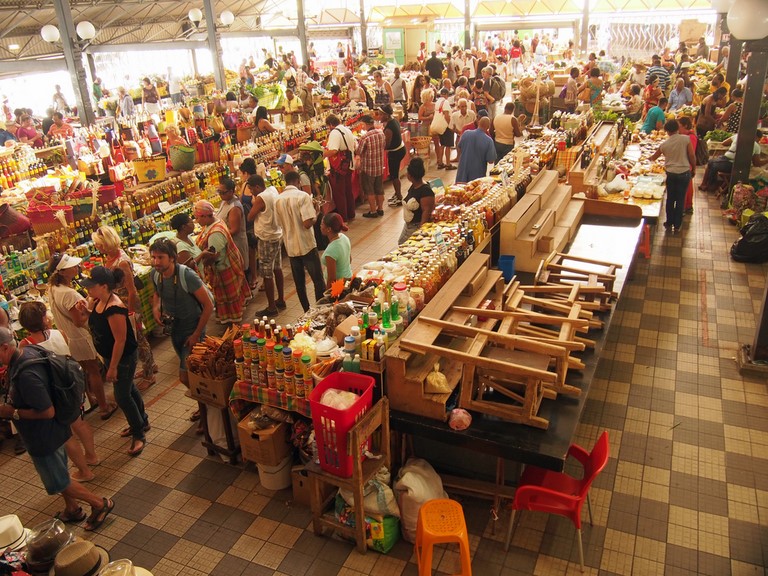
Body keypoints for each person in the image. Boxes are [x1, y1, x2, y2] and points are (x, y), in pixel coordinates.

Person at [0, 327, 114, 529]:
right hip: (54, 430)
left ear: (4, 348)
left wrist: (12, 412)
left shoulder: (26, 375)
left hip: (44, 436)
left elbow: (47, 411)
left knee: (58, 481)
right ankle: (73, 509)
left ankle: (100, 503)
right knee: (60, 472)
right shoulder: (28, 352)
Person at [17, 301, 99, 483]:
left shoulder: (25, 345)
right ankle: (92, 456)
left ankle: (85, 471)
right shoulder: (59, 333)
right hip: (70, 387)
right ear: (44, 319)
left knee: (66, 434)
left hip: (52, 394)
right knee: (79, 423)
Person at [80, 266, 148, 456]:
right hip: (112, 356)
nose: (88, 290)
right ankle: (142, 420)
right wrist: (85, 311)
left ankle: (139, 434)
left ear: (104, 286)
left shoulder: (115, 307)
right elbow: (94, 323)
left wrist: (113, 367)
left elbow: (121, 340)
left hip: (123, 358)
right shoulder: (97, 301)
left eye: (91, 286)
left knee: (122, 397)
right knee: (129, 390)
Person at [47, 254, 116, 422]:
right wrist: (90, 305)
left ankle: (91, 398)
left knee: (82, 370)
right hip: (80, 337)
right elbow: (79, 321)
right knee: (93, 370)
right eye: (72, 266)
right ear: (62, 272)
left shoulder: (52, 288)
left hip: (68, 337)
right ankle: (104, 406)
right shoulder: (69, 294)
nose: (76, 268)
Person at [92, 226, 157, 389]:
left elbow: (131, 290)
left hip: (127, 305)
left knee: (139, 339)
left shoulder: (121, 262)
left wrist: (130, 312)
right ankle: (150, 366)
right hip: (118, 304)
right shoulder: (109, 257)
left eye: (99, 244)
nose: (97, 247)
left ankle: (149, 375)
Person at [149, 239, 213, 392]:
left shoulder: (187, 276)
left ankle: (206, 402)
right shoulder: (155, 274)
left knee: (186, 376)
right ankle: (205, 402)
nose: (156, 262)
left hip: (193, 328)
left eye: (160, 257)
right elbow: (157, 293)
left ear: (172, 257)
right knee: (194, 373)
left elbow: (209, 305)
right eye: (153, 257)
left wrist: (197, 334)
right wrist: (156, 307)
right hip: (175, 330)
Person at [274, 171, 325, 312]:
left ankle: (306, 312)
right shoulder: (302, 196)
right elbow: (308, 223)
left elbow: (279, 223)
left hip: (291, 247)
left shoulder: (278, 200)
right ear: (298, 182)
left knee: (300, 284)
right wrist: (317, 212)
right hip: (307, 245)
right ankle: (321, 310)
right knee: (318, 280)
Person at [193, 200, 250, 324]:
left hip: (223, 269)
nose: (197, 221)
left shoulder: (215, 233)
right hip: (225, 266)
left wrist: (201, 260)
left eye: (197, 218)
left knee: (228, 300)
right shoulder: (214, 223)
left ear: (205, 216)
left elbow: (213, 255)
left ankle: (233, 326)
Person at [247, 175, 286, 317]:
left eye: (251, 189)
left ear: (257, 186)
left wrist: (253, 202)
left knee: (267, 274)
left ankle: (271, 307)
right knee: (277, 268)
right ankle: (281, 299)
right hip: (276, 234)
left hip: (266, 238)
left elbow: (250, 217)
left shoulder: (261, 198)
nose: (251, 192)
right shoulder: (273, 190)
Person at [648, 119, 696, 234]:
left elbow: (653, 158)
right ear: (677, 128)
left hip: (671, 174)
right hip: (684, 173)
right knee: (680, 199)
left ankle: (669, 223)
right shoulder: (686, 139)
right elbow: (691, 155)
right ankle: (677, 225)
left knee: (670, 199)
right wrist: (693, 168)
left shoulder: (664, 144)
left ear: (667, 132)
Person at [699, 131, 767, 192]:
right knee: (712, 163)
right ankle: (709, 185)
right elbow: (757, 163)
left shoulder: (738, 136)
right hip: (734, 165)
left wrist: (734, 145)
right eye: (759, 139)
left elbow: (724, 143)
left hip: (727, 159)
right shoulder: (756, 146)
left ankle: (705, 184)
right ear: (757, 137)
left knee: (711, 163)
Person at [324, 114, 357, 223]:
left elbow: (333, 150)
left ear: (330, 125)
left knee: (339, 192)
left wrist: (322, 154)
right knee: (348, 190)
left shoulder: (334, 132)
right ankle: (351, 213)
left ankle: (343, 218)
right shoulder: (346, 129)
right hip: (349, 164)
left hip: (339, 167)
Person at [355, 114, 386, 219]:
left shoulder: (365, 137)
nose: (362, 127)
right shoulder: (381, 133)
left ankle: (373, 211)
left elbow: (358, 151)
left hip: (368, 168)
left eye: (362, 124)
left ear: (365, 124)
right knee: (379, 189)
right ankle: (380, 209)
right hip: (379, 166)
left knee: (370, 190)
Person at [215, 177, 249, 273]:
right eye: (219, 192)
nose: (221, 195)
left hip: (236, 244)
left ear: (231, 192)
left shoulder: (234, 207)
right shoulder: (224, 202)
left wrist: (217, 233)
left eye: (223, 192)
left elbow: (234, 230)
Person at [399, 158, 435, 244]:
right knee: (401, 243)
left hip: (416, 226)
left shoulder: (425, 191)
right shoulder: (414, 186)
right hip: (408, 225)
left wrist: (420, 231)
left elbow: (426, 212)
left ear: (410, 176)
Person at [377, 105, 406, 208]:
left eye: (380, 114)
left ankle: (399, 197)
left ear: (386, 115)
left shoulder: (389, 128)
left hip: (395, 152)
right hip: (400, 149)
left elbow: (387, 144)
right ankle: (397, 193)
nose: (379, 116)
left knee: (394, 176)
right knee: (395, 174)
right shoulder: (393, 121)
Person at [456, 117, 496, 183]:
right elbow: (491, 161)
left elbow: (459, 147)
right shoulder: (489, 141)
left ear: (478, 123)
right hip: (477, 175)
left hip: (462, 172)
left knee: (460, 191)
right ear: (488, 127)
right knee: (474, 191)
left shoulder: (466, 133)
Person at [321, 213, 352, 290]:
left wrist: (328, 295)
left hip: (338, 286)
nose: (320, 226)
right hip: (348, 278)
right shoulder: (344, 237)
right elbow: (350, 259)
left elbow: (332, 278)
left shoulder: (331, 251)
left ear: (329, 229)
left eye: (322, 224)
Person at [677, 116, 698, 214]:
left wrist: (693, 168)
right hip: (685, 164)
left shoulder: (691, 137)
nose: (678, 129)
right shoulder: (686, 136)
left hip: (687, 165)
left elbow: (691, 153)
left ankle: (685, 207)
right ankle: (686, 206)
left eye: (679, 127)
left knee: (686, 187)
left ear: (685, 126)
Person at [434, 88, 455, 170]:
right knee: (448, 145)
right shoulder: (445, 102)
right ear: (446, 94)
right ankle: (448, 164)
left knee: (442, 144)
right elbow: (446, 115)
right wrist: (450, 125)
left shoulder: (437, 102)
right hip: (446, 126)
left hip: (439, 125)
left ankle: (440, 162)